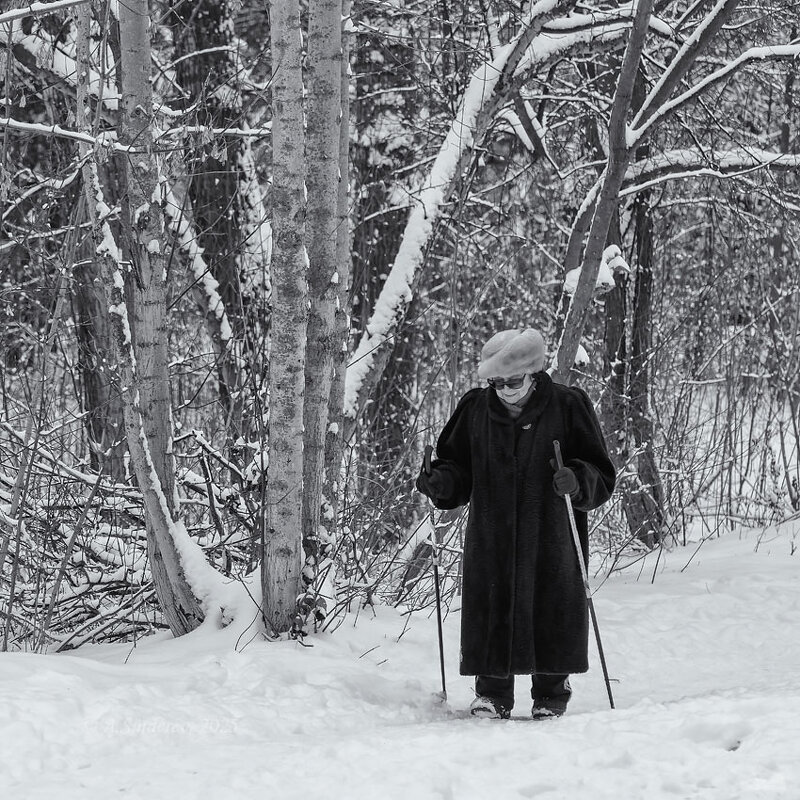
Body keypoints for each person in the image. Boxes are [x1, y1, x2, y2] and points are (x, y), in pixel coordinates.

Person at [416, 327, 616, 719]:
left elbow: (602, 473)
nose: (505, 389)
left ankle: (551, 694)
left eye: (514, 381)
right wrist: (440, 481)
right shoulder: (475, 410)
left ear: (534, 372)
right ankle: (491, 693)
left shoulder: (567, 405)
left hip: (553, 534)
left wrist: (577, 479)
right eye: (497, 382)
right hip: (493, 535)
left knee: (552, 602)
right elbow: (458, 469)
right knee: (492, 600)